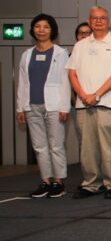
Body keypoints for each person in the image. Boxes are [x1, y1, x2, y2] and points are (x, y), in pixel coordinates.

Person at [67, 6, 111, 199]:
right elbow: (72, 73)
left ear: (109, 22)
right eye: (94, 18)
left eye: (102, 18)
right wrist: (83, 95)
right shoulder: (80, 45)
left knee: (108, 147)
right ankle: (91, 184)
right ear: (89, 21)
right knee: (87, 148)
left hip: (107, 103)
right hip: (83, 104)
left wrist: (96, 95)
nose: (99, 21)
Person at [16, 14, 71, 198]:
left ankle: (59, 182)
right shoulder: (26, 54)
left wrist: (64, 107)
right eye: (38, 26)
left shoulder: (60, 53)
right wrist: (20, 107)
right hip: (32, 106)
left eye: (46, 27)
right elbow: (22, 82)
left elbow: (65, 82)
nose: (41, 30)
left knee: (56, 145)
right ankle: (45, 181)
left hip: (54, 106)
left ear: (52, 30)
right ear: (33, 30)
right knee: (39, 146)